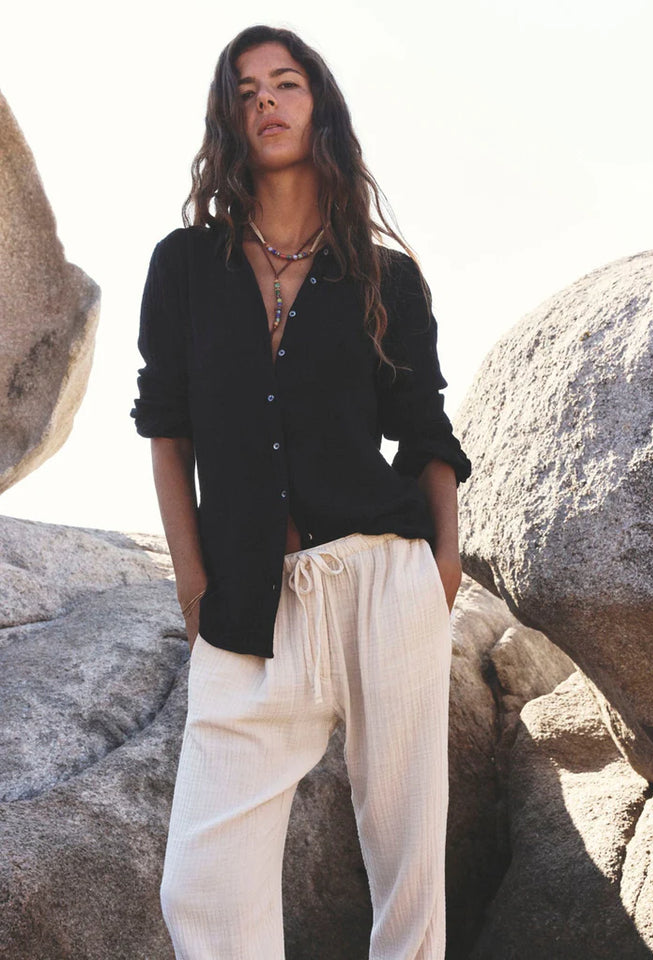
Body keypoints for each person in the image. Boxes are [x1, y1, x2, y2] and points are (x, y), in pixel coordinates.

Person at [131, 24, 471, 960]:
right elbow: (167, 430)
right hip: (246, 597)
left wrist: (440, 564)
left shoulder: (382, 275)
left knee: (409, 871)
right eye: (246, 92)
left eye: (285, 84)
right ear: (229, 120)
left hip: (380, 581)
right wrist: (190, 583)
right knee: (201, 887)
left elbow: (426, 424)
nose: (267, 103)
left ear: (318, 105)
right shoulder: (185, 265)